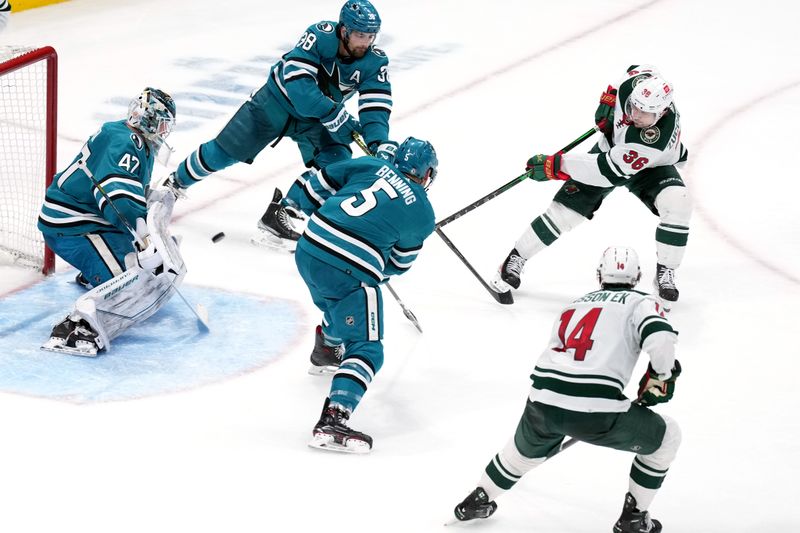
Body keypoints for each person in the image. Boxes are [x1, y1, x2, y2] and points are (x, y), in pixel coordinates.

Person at [454, 246, 682, 532]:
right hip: (594, 411)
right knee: (667, 437)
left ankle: (479, 497)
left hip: (541, 400)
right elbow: (660, 337)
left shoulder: (574, 304)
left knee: (522, 453)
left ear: (599, 275)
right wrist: (663, 374)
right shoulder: (641, 302)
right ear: (637, 276)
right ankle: (634, 518)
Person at [164, 0, 396, 252]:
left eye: (371, 36)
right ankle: (173, 185)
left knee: (337, 163)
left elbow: (376, 106)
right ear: (344, 31)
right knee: (223, 153)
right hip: (274, 105)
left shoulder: (375, 62)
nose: (366, 42)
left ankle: (284, 211)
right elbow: (299, 89)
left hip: (315, 121)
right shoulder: (319, 36)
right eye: (360, 35)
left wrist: (378, 142)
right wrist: (333, 113)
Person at [492, 65, 691, 309]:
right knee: (564, 213)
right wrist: (609, 96)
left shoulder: (653, 141)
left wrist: (555, 165)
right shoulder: (634, 86)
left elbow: (604, 170)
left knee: (678, 202)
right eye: (633, 107)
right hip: (613, 152)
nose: (635, 114)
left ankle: (666, 273)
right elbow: (635, 69)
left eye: (644, 113)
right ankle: (515, 258)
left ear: (661, 113)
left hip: (649, 165)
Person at [292, 136, 438, 454]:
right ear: (427, 175)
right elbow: (398, 265)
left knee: (340, 303)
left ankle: (328, 349)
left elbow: (313, 187)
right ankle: (334, 418)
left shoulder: (371, 164)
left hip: (308, 248)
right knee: (368, 348)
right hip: (347, 269)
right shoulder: (424, 214)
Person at [37, 88, 185, 356]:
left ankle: (96, 267)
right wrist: (145, 239)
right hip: (72, 225)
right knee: (130, 284)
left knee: (141, 270)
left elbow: (128, 198)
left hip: (91, 219)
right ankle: (76, 328)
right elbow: (118, 198)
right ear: (150, 118)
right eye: (163, 124)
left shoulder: (133, 139)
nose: (164, 132)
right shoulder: (126, 142)